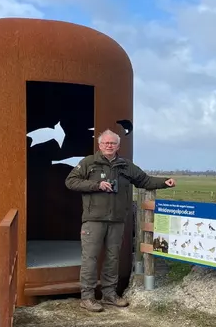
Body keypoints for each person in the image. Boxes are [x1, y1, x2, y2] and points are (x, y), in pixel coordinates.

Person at [65, 129, 176, 312]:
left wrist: (165, 182)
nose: (109, 146)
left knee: (112, 258)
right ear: (100, 145)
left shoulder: (126, 165)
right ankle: (87, 297)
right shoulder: (88, 163)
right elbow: (71, 182)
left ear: (118, 146)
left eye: (113, 143)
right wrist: (96, 185)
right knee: (90, 258)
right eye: (106, 143)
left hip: (117, 220)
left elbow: (144, 180)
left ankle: (109, 294)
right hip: (94, 220)